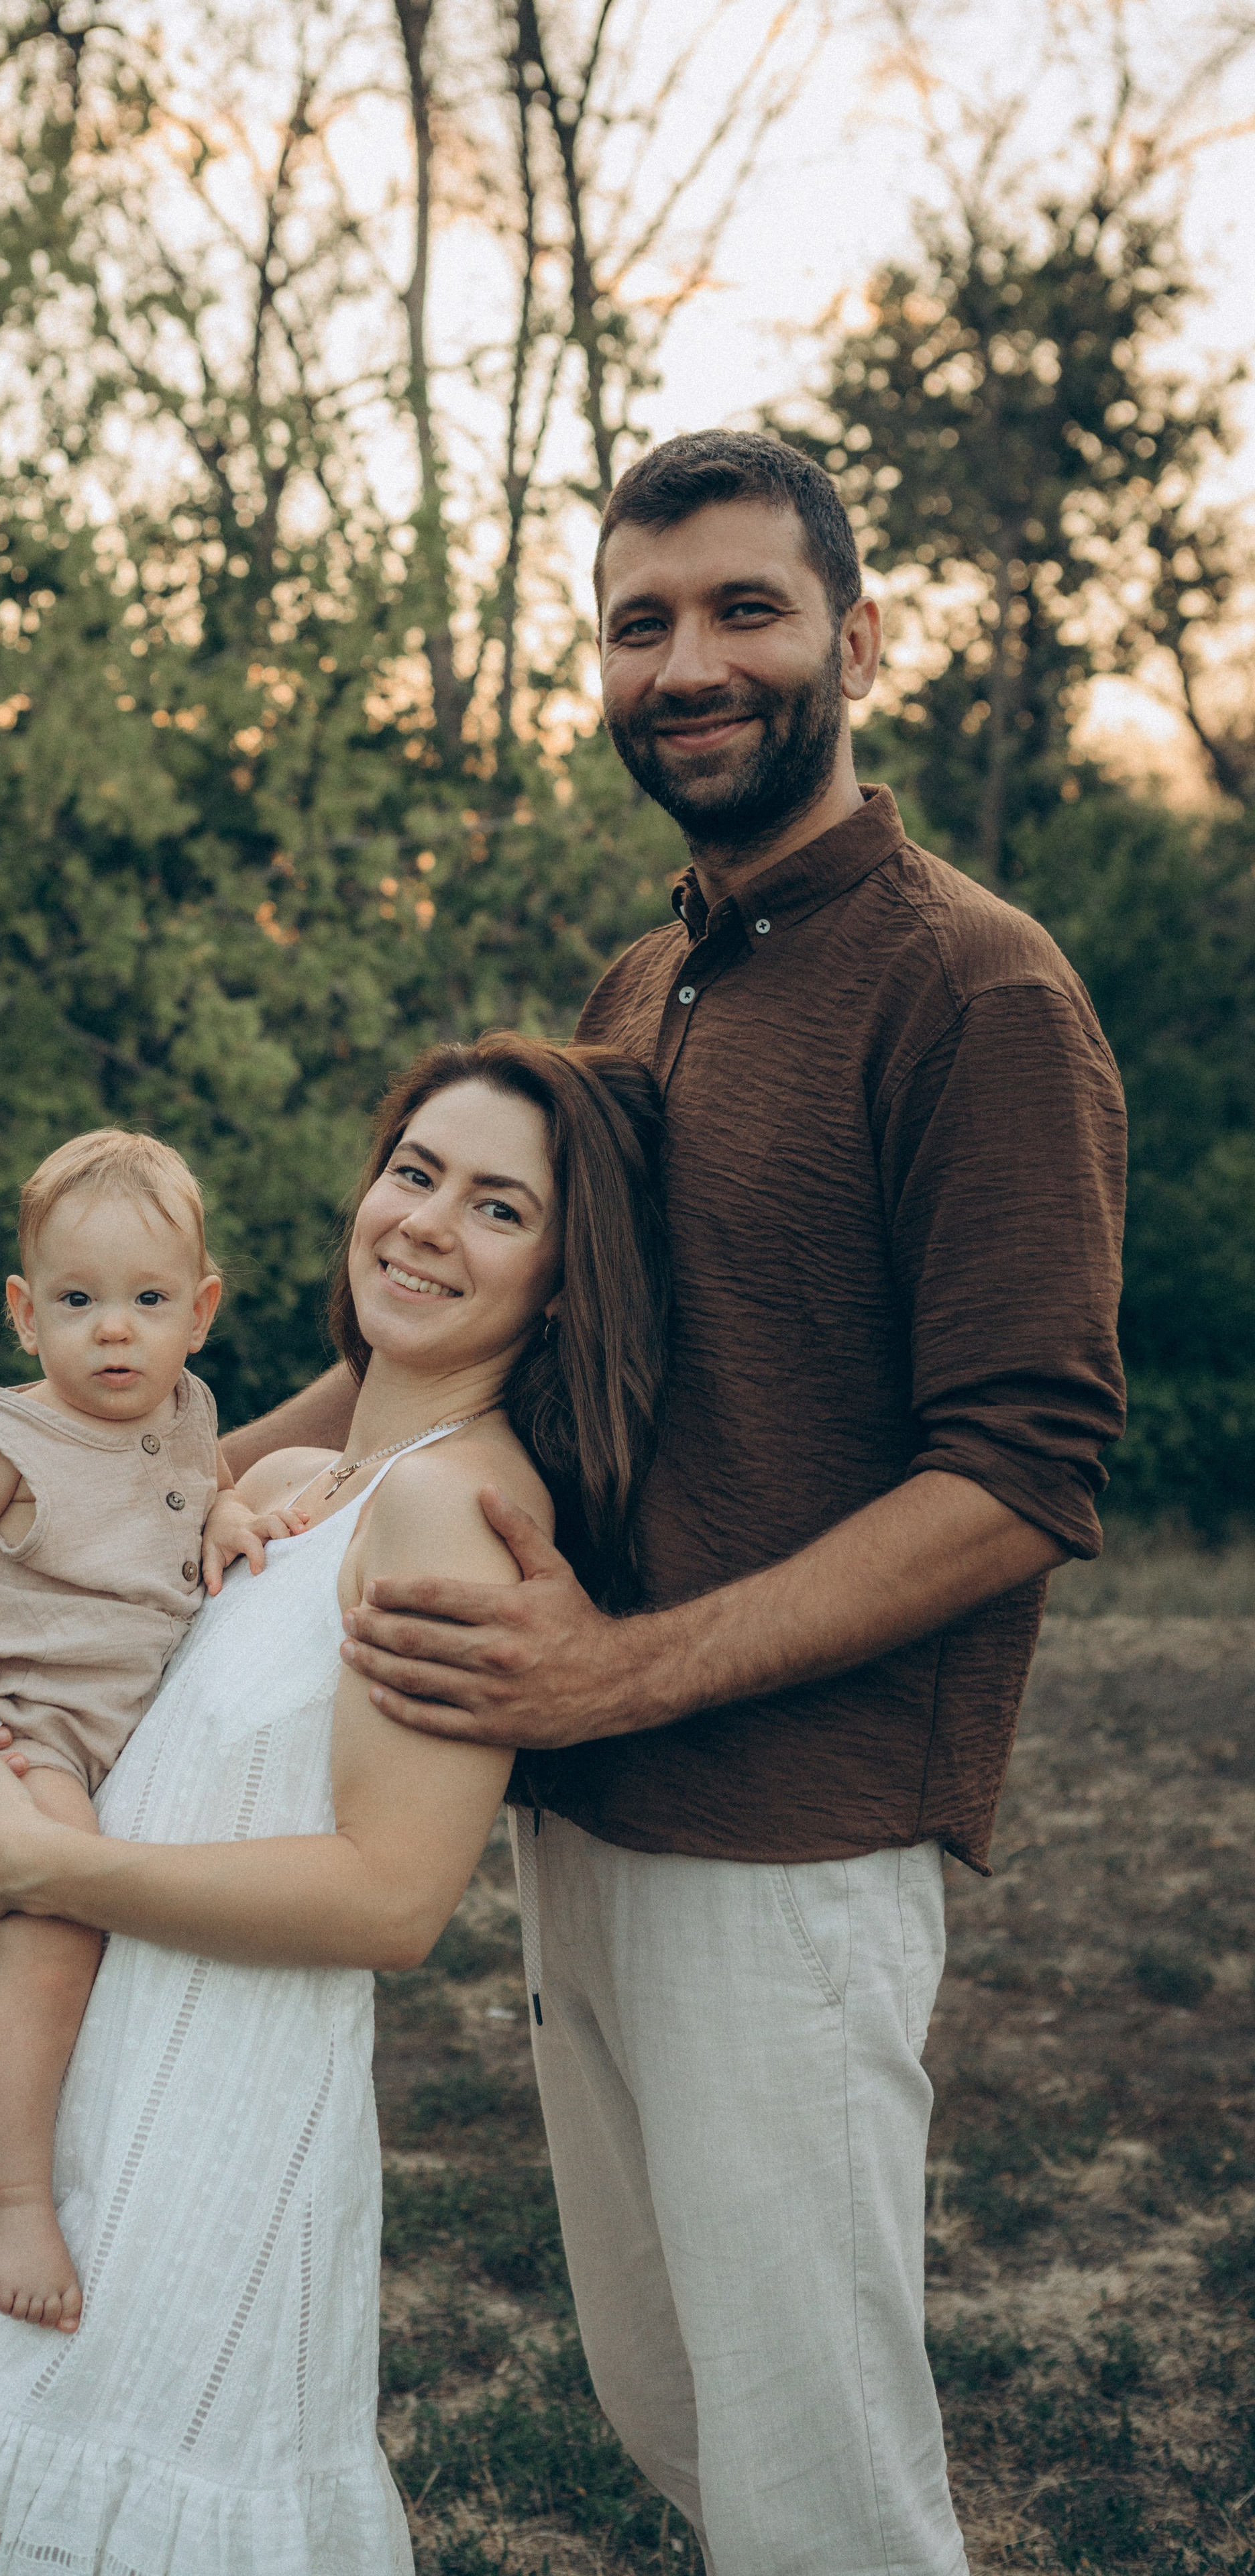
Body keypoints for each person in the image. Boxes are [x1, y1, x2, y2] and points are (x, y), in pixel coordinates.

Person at [223, 431, 1128, 2576]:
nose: (689, 662)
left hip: (789, 1839)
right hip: (582, 1812)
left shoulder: (977, 990)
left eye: (744, 609)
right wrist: (186, 1466)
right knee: (673, 2408)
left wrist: (619, 1669)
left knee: (824, 2486)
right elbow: (481, 1326)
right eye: (644, 623)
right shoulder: (651, 986)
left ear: (857, 638)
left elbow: (1017, 1476)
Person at [0, 1033, 671, 2576]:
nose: (424, 1224)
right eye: (411, 1173)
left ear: (565, 1275)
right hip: (103, 2076)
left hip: (218, 2121)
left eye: (498, 1209)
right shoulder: (308, 1461)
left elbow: (391, 1902)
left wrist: (43, 1860)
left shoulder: (456, 1513)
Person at [0, 1125, 284, 2334]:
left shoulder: (190, 1413)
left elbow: (197, 1488)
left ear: (199, 1311)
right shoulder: (2, 1438)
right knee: (57, 1939)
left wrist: (229, 1511)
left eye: (148, 1300)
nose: (114, 1329)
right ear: (23, 1313)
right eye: (78, 1300)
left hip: (87, 1739)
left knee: (19, 1912)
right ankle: (10, 2196)